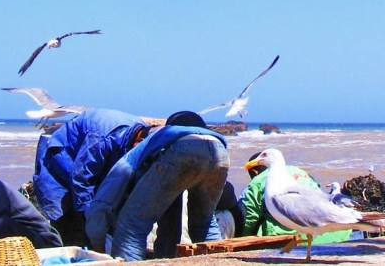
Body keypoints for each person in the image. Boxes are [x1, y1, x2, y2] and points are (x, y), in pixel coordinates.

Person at [85, 111, 229, 261]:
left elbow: (105, 199)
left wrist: (97, 243)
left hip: (183, 147)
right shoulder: (204, 135)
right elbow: (170, 220)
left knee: (131, 227)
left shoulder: (151, 142)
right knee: (204, 223)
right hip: (221, 151)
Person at [33, 109, 149, 246]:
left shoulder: (144, 133)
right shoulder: (100, 139)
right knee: (68, 222)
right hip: (61, 160)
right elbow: (80, 179)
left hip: (91, 163)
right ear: (139, 141)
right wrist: (91, 218)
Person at [238, 151, 351, 243]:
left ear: (255, 171)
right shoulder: (302, 173)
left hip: (294, 239)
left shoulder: (258, 182)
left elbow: (250, 218)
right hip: (337, 235)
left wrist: (242, 240)